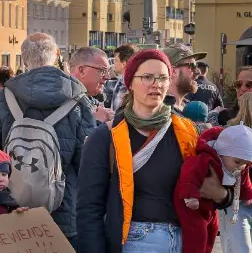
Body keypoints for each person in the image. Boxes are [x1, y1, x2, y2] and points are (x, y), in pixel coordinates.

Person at [77, 49, 235, 252]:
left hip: (184, 241)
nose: (156, 84)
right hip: (134, 242)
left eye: (162, 78)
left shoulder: (188, 132)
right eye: (147, 77)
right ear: (130, 83)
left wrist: (222, 195)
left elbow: (223, 189)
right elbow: (88, 209)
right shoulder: (106, 137)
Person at [0, 33, 96, 248]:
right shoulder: (79, 100)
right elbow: (88, 162)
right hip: (64, 208)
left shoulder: (3, 97)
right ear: (58, 56)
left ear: (23, 59)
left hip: (13, 209)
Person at [175, 125, 252, 253]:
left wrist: (248, 194)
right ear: (221, 153)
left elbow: (245, 182)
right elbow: (189, 174)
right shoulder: (206, 159)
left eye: (246, 164)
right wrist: (190, 196)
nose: (241, 167)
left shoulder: (238, 166)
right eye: (237, 162)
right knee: (196, 233)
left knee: (213, 230)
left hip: (209, 206)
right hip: (190, 206)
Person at [219, 92, 252, 252]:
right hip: (235, 201)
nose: (244, 89)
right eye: (239, 85)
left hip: (235, 200)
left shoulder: (231, 133)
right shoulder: (234, 133)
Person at [69, 47, 115, 124]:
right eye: (102, 70)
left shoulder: (82, 101)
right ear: (82, 71)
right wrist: (99, 122)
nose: (107, 77)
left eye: (108, 71)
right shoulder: (61, 101)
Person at [162, 44, 205, 112]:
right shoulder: (161, 115)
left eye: (196, 65)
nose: (198, 72)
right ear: (173, 72)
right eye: (192, 66)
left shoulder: (189, 109)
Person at [105, 43, 140, 111]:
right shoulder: (121, 81)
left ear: (124, 64)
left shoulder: (130, 87)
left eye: (116, 60)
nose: (113, 63)